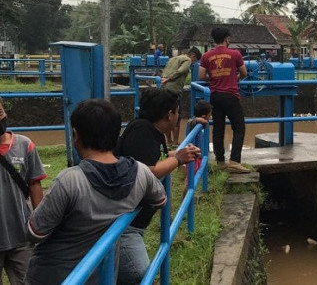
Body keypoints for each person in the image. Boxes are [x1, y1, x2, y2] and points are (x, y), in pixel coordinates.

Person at [25, 99, 167, 285]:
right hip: (102, 276)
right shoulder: (141, 172)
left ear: (76, 135)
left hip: (53, 276)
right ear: (117, 134)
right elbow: (160, 200)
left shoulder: (69, 180)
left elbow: (34, 232)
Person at [114, 87, 200, 284]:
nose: (179, 116)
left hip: (134, 223)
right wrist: (178, 159)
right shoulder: (142, 131)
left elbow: (154, 157)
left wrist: (181, 155)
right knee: (141, 274)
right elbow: (147, 171)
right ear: (169, 114)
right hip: (126, 225)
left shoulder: (153, 131)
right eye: (177, 112)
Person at [0, 98, 46, 285]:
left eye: (0, 110)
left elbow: (35, 185)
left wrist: (41, 223)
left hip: (21, 237)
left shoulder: (24, 145)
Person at [198, 27, 251, 173]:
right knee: (239, 127)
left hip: (215, 96)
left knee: (218, 129)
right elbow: (244, 72)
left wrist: (214, 77)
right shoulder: (235, 54)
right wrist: (235, 78)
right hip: (231, 96)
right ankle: (234, 161)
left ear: (213, 39)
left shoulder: (206, 56)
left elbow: (201, 76)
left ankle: (220, 161)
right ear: (227, 39)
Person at [161, 46, 202, 148]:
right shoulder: (187, 60)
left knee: (166, 115)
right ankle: (175, 143)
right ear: (192, 55)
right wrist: (169, 78)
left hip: (164, 89)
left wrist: (165, 79)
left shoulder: (173, 59)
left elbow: (165, 71)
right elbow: (181, 71)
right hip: (174, 90)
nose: (193, 63)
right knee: (176, 116)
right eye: (195, 60)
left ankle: (168, 142)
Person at [183, 100, 212, 197]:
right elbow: (191, 121)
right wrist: (202, 120)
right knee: (189, 180)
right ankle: (185, 199)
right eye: (209, 116)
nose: (210, 118)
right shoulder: (192, 124)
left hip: (197, 156)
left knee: (193, 178)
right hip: (193, 157)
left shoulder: (199, 126)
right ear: (204, 116)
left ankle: (189, 197)